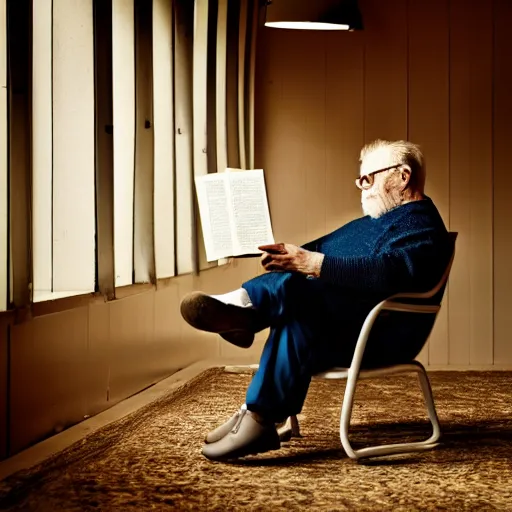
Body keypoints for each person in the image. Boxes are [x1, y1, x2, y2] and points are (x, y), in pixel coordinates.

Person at [180, 139, 453, 461]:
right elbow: (315, 251)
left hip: (382, 335)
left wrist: (309, 263)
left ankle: (246, 315)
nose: (362, 189)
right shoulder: (370, 223)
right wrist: (283, 255)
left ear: (402, 177)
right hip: (335, 326)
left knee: (299, 296)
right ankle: (257, 415)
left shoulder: (422, 225)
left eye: (368, 179)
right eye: (359, 181)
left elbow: (391, 273)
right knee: (298, 307)